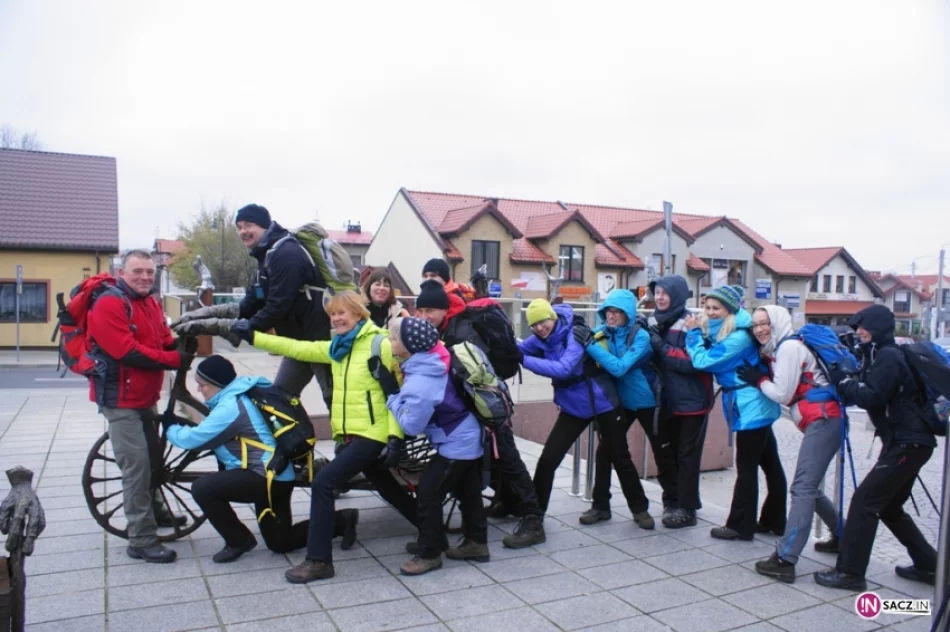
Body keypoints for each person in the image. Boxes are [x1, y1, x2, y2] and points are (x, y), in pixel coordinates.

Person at [231, 290, 419, 583]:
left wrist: (395, 437)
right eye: (332, 314)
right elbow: (296, 348)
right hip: (351, 436)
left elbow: (396, 393)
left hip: (374, 434)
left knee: (322, 484)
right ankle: (432, 530)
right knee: (386, 486)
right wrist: (253, 337)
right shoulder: (338, 349)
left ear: (358, 313)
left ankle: (319, 561)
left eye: (342, 312)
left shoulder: (380, 343)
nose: (336, 318)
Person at [162, 355, 359, 563]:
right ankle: (341, 521)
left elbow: (194, 439)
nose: (199, 390)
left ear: (217, 384)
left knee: (202, 488)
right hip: (278, 475)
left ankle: (238, 540)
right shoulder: (242, 392)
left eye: (202, 385)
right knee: (280, 543)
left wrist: (170, 428)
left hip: (264, 478)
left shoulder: (230, 408)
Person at [815, 305, 938, 591]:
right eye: (857, 327)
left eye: (864, 327)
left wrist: (843, 382)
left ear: (879, 327)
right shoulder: (884, 355)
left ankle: (850, 573)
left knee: (865, 502)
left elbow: (872, 397)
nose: (858, 332)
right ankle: (929, 565)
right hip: (908, 442)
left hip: (907, 442)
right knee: (890, 506)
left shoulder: (888, 357)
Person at [414, 280, 545, 548]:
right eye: (421, 310)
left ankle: (533, 519)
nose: (425, 316)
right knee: (479, 466)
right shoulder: (443, 330)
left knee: (508, 460)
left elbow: (479, 376)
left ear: (443, 310)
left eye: (431, 310)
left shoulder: (459, 332)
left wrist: (482, 419)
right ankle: (501, 507)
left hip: (487, 409)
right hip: (470, 412)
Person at [173, 203, 333, 411]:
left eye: (249, 225)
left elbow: (277, 307)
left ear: (265, 226)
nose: (243, 232)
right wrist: (202, 316)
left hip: (321, 342)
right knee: (280, 398)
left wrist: (238, 329)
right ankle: (296, 442)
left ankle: (349, 443)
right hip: (299, 343)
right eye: (239, 227)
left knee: (337, 403)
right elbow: (249, 304)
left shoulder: (286, 254)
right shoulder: (266, 257)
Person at [86, 249, 189, 563]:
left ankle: (156, 513)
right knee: (137, 467)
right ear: (122, 273)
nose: (145, 277)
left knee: (153, 460)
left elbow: (161, 339)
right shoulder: (109, 303)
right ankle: (141, 540)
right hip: (120, 400)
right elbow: (126, 351)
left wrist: (181, 343)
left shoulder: (150, 302)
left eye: (149, 271)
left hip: (144, 396)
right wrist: (174, 359)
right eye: (137, 272)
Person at [520, 299, 656, 531]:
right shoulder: (541, 337)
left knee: (619, 456)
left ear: (552, 317)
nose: (539, 328)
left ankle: (639, 508)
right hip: (574, 406)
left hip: (603, 403)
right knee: (548, 459)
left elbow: (564, 368)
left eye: (542, 322)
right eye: (534, 325)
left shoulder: (574, 334)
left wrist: (522, 359)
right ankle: (534, 515)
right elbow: (519, 349)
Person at [377, 317, 489, 575]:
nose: (389, 341)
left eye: (393, 338)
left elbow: (411, 426)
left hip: (457, 441)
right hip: (467, 432)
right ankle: (476, 543)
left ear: (409, 346)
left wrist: (392, 395)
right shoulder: (432, 360)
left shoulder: (423, 380)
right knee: (468, 491)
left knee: (428, 493)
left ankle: (429, 553)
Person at [741, 307, 841, 583]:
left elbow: (782, 394)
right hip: (824, 420)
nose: (760, 329)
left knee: (803, 488)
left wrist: (759, 380)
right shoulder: (785, 347)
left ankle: (785, 559)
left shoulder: (789, 348)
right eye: (755, 325)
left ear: (778, 322)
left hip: (823, 420)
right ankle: (843, 537)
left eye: (765, 323)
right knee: (812, 489)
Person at [685, 285, 786, 541]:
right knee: (769, 464)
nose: (710, 312)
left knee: (747, 467)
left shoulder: (739, 337)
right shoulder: (734, 330)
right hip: (753, 402)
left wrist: (693, 334)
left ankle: (741, 526)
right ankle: (775, 520)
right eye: (707, 307)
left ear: (730, 310)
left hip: (749, 405)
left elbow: (703, 361)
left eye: (716, 308)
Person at [575, 289, 677, 525]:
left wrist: (591, 345)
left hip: (649, 403)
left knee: (661, 451)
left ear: (627, 314)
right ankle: (600, 506)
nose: (611, 316)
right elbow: (586, 341)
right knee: (605, 452)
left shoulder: (640, 337)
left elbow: (620, 367)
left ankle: (674, 503)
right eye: (608, 311)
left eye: (617, 312)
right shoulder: (604, 333)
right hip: (622, 404)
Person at [646, 276, 714, 529]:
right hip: (664, 401)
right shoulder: (655, 321)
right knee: (666, 454)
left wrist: (660, 347)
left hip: (691, 402)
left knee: (686, 457)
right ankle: (671, 501)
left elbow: (693, 362)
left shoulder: (691, 323)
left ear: (678, 295)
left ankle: (687, 507)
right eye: (658, 292)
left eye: (666, 293)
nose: (660, 297)